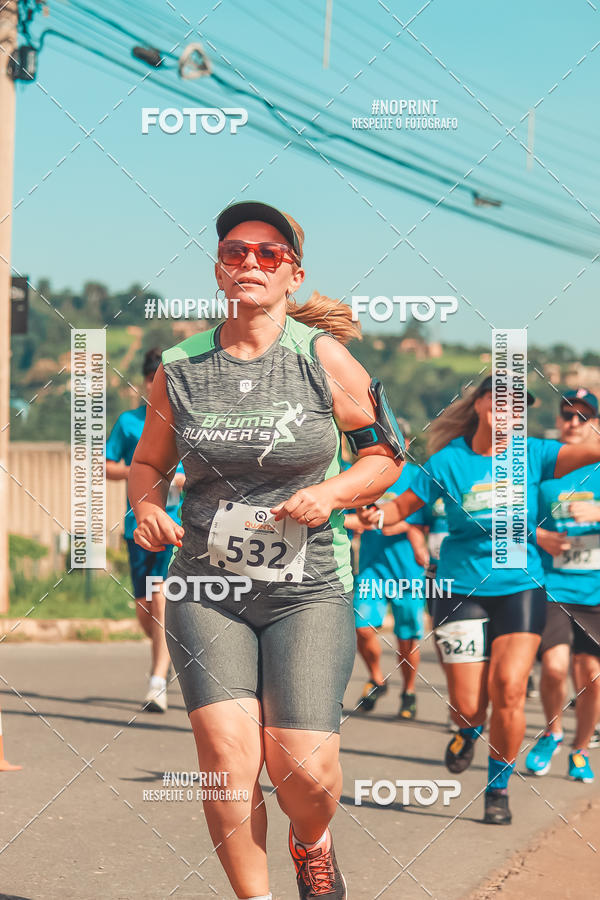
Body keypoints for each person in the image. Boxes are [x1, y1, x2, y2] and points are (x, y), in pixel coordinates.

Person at [127, 201, 405, 900]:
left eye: (268, 253)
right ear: (219, 269)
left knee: (302, 772)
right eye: (235, 251)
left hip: (307, 591)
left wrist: (333, 493)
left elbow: (385, 455)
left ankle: (311, 842)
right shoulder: (181, 367)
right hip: (206, 588)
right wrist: (147, 507)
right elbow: (149, 463)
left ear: (292, 274)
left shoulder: (322, 358)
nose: (249, 261)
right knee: (227, 764)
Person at [359, 375, 600, 825]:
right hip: (459, 591)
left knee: (509, 687)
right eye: (499, 399)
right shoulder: (448, 461)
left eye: (518, 404)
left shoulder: (534, 454)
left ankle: (498, 788)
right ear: (480, 404)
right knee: (468, 705)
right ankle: (468, 730)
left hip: (521, 587)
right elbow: (402, 507)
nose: (508, 409)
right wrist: (376, 514)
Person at [526, 389, 600, 783]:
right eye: (567, 415)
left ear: (596, 424)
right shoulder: (543, 467)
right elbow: (516, 520)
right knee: (554, 669)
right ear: (558, 420)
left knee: (591, 677)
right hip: (552, 585)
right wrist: (540, 537)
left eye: (582, 416)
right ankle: (552, 732)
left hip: (595, 592)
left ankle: (580, 749)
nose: (573, 422)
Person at [106, 348, 185, 712]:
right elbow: (106, 466)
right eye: (152, 380)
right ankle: (167, 655)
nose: (156, 385)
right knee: (145, 606)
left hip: (177, 527)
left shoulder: (185, 419)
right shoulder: (128, 422)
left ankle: (157, 680)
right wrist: (144, 471)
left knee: (162, 595)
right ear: (144, 382)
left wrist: (183, 479)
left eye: (161, 379)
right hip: (138, 526)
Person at [345, 427, 426, 719]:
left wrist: (399, 524)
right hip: (372, 567)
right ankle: (377, 678)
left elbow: (427, 521)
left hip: (407, 570)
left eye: (396, 439)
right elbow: (348, 517)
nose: (390, 444)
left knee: (407, 638)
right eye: (383, 438)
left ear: (406, 442)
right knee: (362, 628)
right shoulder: (363, 474)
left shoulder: (418, 476)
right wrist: (365, 522)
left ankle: (409, 692)